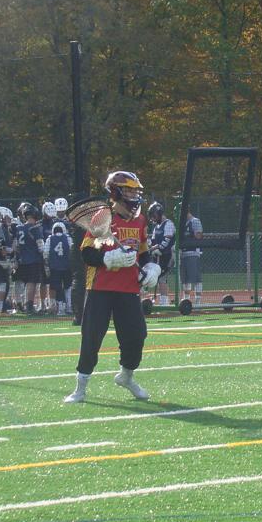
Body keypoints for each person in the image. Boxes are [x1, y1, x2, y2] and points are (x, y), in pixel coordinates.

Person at [64, 170, 160, 403]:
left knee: (136, 336)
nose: (133, 195)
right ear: (115, 192)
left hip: (129, 289)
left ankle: (126, 376)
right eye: (128, 191)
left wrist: (151, 268)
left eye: (135, 191)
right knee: (92, 338)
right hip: (101, 288)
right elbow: (87, 254)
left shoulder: (140, 220)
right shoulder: (102, 217)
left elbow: (143, 252)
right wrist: (108, 258)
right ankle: (80, 387)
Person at [14, 202, 45, 315]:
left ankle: (21, 304)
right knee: (32, 283)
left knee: (23, 283)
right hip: (33, 259)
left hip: (22, 259)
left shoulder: (19, 228)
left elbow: (16, 246)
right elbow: (40, 246)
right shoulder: (35, 228)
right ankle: (29, 305)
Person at [147, 201, 176, 306]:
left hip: (168, 256)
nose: (153, 218)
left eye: (154, 215)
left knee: (162, 278)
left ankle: (164, 303)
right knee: (158, 277)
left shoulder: (168, 224)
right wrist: (151, 247)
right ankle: (163, 301)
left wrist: (157, 248)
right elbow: (153, 241)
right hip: (159, 256)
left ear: (159, 214)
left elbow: (166, 241)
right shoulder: (156, 227)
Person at [45, 221, 72, 315]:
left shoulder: (49, 239)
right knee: (68, 287)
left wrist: (47, 267)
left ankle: (60, 308)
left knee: (58, 288)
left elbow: (45, 253)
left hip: (54, 267)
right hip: (67, 266)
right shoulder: (68, 238)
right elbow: (72, 251)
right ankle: (69, 307)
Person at [180, 207, 203, 304]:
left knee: (196, 278)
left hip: (193, 253)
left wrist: (191, 237)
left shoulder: (195, 221)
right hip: (183, 254)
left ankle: (198, 301)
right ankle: (186, 299)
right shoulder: (183, 223)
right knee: (185, 279)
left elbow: (199, 236)